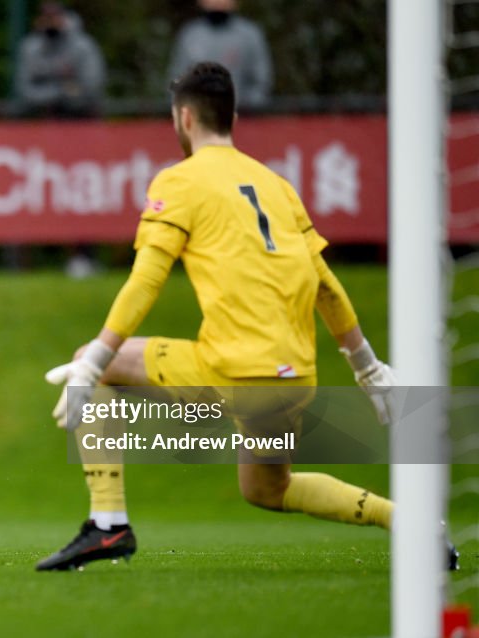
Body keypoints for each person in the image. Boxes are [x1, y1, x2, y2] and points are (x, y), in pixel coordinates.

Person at [36, 63, 459, 572]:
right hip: (294, 377)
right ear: (232, 116)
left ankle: (108, 527)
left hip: (234, 371)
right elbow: (325, 284)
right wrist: (368, 369)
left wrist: (94, 360)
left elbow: (145, 281)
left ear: (184, 117)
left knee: (94, 363)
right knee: (267, 487)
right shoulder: (276, 185)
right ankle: (410, 522)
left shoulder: (180, 181)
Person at [167, 0, 272, 108]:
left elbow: (261, 80)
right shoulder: (190, 35)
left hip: (242, 115)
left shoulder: (249, 35)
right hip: (198, 116)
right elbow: (177, 79)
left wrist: (251, 109)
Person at [15, 2, 105, 118]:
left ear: (64, 17)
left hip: (82, 114)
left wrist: (59, 92)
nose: (50, 22)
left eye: (54, 16)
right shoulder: (30, 48)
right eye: (46, 17)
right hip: (42, 115)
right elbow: (24, 90)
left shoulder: (83, 46)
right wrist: (61, 91)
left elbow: (91, 86)